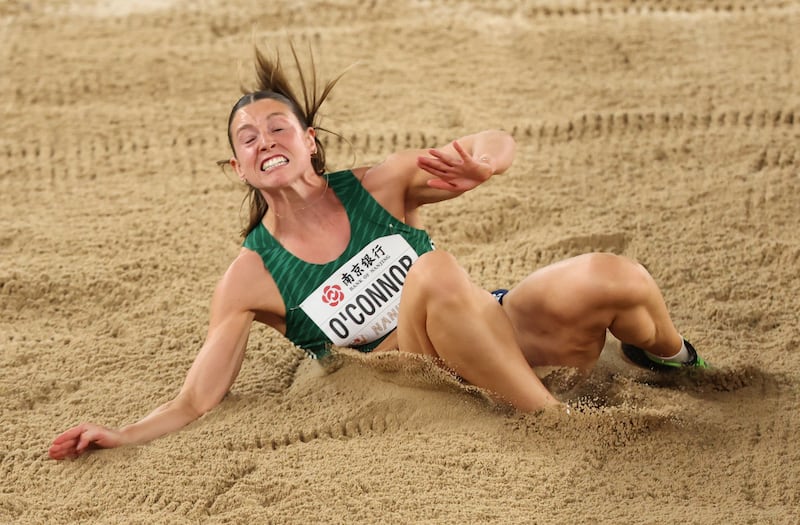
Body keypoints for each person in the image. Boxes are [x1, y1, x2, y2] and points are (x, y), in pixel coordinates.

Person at [48, 45, 709, 461]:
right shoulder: (250, 275)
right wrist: (122, 433)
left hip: (491, 327)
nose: (263, 139)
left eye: (277, 125)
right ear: (238, 167)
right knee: (434, 269)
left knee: (613, 275)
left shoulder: (378, 184)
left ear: (309, 141)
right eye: (247, 138)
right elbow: (197, 400)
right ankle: (556, 422)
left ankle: (673, 359)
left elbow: (486, 142)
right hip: (421, 368)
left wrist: (489, 158)